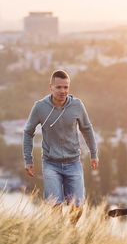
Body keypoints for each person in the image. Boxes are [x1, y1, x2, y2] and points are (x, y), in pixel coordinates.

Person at [23, 70, 98, 207]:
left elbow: (87, 129)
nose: (63, 91)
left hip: (74, 162)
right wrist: (28, 159)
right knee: (54, 205)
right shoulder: (40, 107)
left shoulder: (77, 105)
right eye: (59, 87)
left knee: (77, 207)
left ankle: (71, 229)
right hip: (51, 164)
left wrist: (94, 153)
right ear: (50, 87)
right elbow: (28, 132)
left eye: (66, 87)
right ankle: (57, 229)